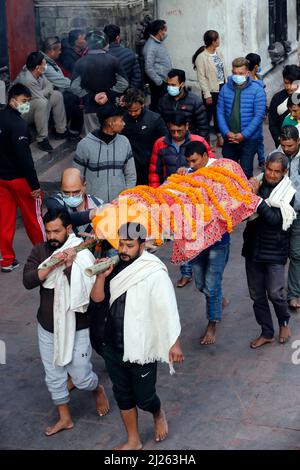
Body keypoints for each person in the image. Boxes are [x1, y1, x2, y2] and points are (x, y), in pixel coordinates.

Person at [89, 222, 184, 450]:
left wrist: (175, 344)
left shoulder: (153, 271)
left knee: (144, 399)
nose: (123, 250)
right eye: (121, 244)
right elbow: (97, 302)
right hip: (113, 345)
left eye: (129, 245)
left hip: (141, 349)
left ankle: (158, 412)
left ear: (142, 245)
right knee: (122, 396)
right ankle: (134, 440)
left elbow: (167, 309)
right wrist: (100, 277)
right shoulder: (115, 267)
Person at [23, 209, 110, 436]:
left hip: (78, 325)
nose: (52, 236)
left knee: (81, 376)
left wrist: (70, 266)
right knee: (53, 375)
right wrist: (51, 264)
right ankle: (65, 418)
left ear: (68, 230)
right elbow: (28, 280)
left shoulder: (82, 254)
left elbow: (88, 293)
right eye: (48, 231)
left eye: (57, 231)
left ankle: (96, 388)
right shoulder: (40, 251)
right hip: (47, 325)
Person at [149, 113, 214, 288]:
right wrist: (157, 195)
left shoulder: (199, 142)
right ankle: (186, 272)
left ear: (186, 127)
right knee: (180, 236)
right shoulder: (160, 144)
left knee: (196, 235)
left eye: (180, 130)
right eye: (173, 131)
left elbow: (210, 166)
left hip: (197, 200)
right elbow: (155, 171)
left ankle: (204, 272)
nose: (176, 134)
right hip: (173, 197)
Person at [177, 141, 230, 345]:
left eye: (194, 160)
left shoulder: (221, 171)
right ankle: (219, 300)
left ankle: (212, 323)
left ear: (205, 156)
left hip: (218, 240)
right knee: (201, 283)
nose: (192, 164)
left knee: (211, 284)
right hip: (196, 239)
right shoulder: (188, 173)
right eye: (188, 161)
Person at [243, 153, 294, 348]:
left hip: (275, 250)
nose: (271, 175)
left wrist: (256, 199)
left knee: (275, 293)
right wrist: (250, 195)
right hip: (253, 248)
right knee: (257, 295)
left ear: (284, 172)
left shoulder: (288, 193)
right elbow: (242, 212)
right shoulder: (255, 184)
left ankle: (283, 321)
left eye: (276, 172)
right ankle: (266, 332)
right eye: (269, 170)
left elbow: (275, 220)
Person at [0, 84, 45, 273]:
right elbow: (25, 159)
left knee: (5, 220)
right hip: (21, 180)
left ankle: (7, 260)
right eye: (24, 101)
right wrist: (35, 185)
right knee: (34, 219)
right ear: (13, 99)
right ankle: (45, 255)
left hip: (2, 179)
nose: (26, 105)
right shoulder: (19, 126)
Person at [73, 103, 136, 202]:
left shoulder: (124, 142)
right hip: (93, 206)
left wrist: (126, 197)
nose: (124, 123)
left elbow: (131, 174)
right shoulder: (85, 145)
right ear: (111, 123)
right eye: (121, 120)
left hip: (119, 204)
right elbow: (76, 177)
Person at [71, 30, 128, 135]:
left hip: (91, 108)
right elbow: (124, 83)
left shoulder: (80, 62)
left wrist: (92, 97)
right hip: (111, 108)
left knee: (93, 140)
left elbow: (74, 87)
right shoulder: (113, 60)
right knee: (112, 138)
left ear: (88, 45)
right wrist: (108, 94)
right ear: (106, 45)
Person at [217, 57, 266, 179]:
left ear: (248, 73)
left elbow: (258, 116)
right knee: (228, 172)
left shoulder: (257, 90)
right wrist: (227, 132)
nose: (237, 76)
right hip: (229, 138)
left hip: (249, 140)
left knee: (245, 172)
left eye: (240, 73)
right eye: (234, 73)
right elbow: (220, 112)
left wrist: (243, 135)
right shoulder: (225, 88)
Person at [14, 51, 68, 153]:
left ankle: (60, 130)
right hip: (20, 112)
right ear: (37, 66)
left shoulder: (39, 74)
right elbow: (42, 97)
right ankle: (42, 139)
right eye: (44, 64)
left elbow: (49, 85)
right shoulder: (27, 80)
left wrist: (44, 91)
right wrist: (45, 91)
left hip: (33, 102)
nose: (46, 66)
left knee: (57, 95)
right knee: (42, 103)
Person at [275, 126, 300, 309]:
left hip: (298, 213)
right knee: (277, 254)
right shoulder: (275, 156)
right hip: (279, 214)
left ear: (298, 141)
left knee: (297, 254)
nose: (286, 149)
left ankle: (293, 294)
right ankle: (276, 293)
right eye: (284, 145)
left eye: (290, 145)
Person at [122, 87, 167, 185]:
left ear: (142, 104)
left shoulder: (154, 119)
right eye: (130, 111)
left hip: (150, 167)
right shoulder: (122, 120)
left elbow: (164, 141)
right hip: (129, 166)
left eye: (136, 110)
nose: (133, 114)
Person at [41, 37, 83, 137]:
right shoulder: (43, 64)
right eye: (59, 50)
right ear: (51, 50)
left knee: (73, 96)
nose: (60, 52)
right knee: (69, 98)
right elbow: (62, 82)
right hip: (42, 97)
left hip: (51, 93)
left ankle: (71, 129)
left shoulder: (49, 60)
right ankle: (59, 130)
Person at [193, 30, 227, 147]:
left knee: (219, 114)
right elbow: (201, 78)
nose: (219, 41)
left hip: (222, 88)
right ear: (213, 41)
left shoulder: (218, 53)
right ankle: (205, 141)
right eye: (217, 39)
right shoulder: (201, 57)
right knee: (207, 116)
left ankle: (219, 137)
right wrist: (207, 94)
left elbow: (223, 71)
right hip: (211, 91)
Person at [46, 168, 103, 236]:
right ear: (61, 188)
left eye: (76, 192)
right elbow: (61, 217)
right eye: (66, 192)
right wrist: (91, 214)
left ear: (84, 186)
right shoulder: (55, 201)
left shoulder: (98, 204)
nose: (71, 196)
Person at [158, 68, 209, 141]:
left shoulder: (195, 101)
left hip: (189, 141)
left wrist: (200, 145)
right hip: (169, 141)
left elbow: (203, 127)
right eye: (168, 85)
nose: (170, 88)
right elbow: (160, 124)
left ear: (182, 84)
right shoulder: (163, 100)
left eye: (173, 85)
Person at [143, 19, 172, 112]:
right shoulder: (151, 46)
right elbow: (148, 68)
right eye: (165, 29)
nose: (166, 32)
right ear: (159, 31)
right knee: (158, 105)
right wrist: (159, 82)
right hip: (158, 83)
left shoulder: (159, 42)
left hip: (164, 80)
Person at [269, 65, 300, 147]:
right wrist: (279, 139)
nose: (289, 87)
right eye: (286, 83)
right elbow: (272, 124)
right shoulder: (277, 98)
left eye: (292, 83)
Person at [104, 24, 142, 89]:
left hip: (107, 95)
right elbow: (137, 77)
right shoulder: (129, 53)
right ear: (118, 38)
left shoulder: (102, 56)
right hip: (125, 92)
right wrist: (128, 92)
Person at [245, 52, 266, 168]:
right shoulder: (245, 80)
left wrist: (264, 110)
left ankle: (262, 159)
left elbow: (263, 96)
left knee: (259, 137)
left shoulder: (259, 79)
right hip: (249, 114)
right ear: (256, 66)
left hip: (258, 113)